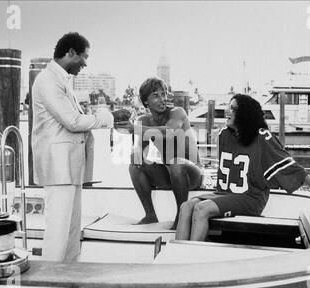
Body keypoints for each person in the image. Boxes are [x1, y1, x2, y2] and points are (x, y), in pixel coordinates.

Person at [175, 94, 310, 241]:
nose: (227, 111)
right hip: (225, 194)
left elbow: (292, 167)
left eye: (233, 109)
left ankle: (190, 261)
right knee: (185, 207)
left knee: (201, 209)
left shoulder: (262, 138)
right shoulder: (224, 135)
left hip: (251, 197)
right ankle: (175, 260)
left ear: (244, 115)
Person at [32, 32, 128, 262]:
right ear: (70, 53)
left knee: (72, 230)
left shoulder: (61, 80)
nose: (85, 63)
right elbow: (73, 121)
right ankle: (51, 281)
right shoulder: (47, 81)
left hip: (69, 168)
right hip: (58, 168)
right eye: (83, 57)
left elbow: (74, 119)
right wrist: (108, 117)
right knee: (58, 230)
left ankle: (68, 276)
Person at [119, 77, 203, 228]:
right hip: (170, 175)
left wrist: (136, 129)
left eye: (163, 94)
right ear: (145, 102)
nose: (162, 99)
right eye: (156, 96)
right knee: (135, 166)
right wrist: (136, 153)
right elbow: (140, 151)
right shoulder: (144, 120)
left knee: (176, 163)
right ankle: (150, 215)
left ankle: (181, 217)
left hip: (192, 174)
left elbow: (170, 132)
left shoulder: (177, 112)